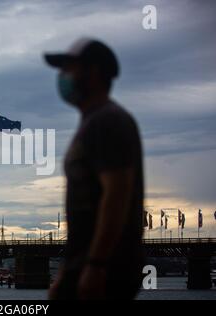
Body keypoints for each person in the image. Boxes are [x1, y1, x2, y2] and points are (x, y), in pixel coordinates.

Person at [44, 38, 144, 300]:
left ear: (94, 72)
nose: (62, 76)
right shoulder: (93, 122)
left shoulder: (108, 121)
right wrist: (67, 271)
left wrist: (96, 265)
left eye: (69, 68)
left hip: (104, 271)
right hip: (84, 265)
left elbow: (116, 195)